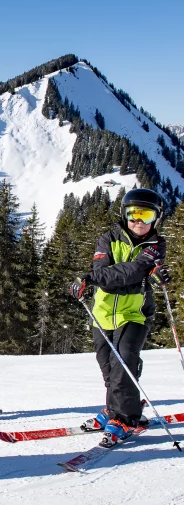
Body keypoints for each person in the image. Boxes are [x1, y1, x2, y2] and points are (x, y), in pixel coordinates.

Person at [68, 188, 171, 447]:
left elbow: (127, 273)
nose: (138, 222)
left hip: (134, 313)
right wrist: (100, 276)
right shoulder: (108, 239)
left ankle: (126, 418)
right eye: (133, 215)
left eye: (145, 215)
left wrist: (92, 278)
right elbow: (106, 271)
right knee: (108, 368)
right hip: (102, 314)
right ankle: (115, 409)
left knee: (123, 362)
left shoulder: (156, 245)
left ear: (155, 218)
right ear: (124, 215)